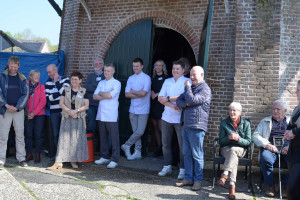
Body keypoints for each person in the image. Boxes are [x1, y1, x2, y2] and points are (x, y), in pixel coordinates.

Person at [175, 66, 212, 191]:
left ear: (202, 74)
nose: (191, 77)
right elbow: (180, 100)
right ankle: (188, 178)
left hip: (196, 125)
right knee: (187, 153)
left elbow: (192, 99)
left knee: (197, 155)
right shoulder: (192, 88)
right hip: (186, 124)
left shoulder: (205, 89)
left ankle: (198, 180)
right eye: (190, 74)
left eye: (194, 74)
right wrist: (186, 104)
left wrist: (187, 88)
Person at [47, 71, 89, 170]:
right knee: (63, 139)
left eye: (75, 79)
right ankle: (58, 162)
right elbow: (61, 103)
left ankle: (73, 161)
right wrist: (70, 111)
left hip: (78, 119)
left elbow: (86, 105)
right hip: (66, 117)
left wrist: (76, 111)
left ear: (80, 81)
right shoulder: (65, 90)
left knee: (74, 141)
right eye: (72, 79)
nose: (73, 81)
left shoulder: (84, 91)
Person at [157, 60, 190, 179]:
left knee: (182, 145)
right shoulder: (167, 81)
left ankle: (182, 168)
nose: (175, 70)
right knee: (165, 144)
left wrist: (169, 98)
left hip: (180, 119)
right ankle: (167, 166)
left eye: (177, 69)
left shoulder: (187, 81)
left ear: (183, 70)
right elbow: (160, 98)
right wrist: (173, 105)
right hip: (166, 117)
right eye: (173, 68)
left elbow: (185, 97)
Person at [252, 99, 290, 198]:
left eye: (278, 109)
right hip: (271, 147)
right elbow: (255, 135)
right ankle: (270, 186)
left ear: (284, 111)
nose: (275, 111)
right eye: (274, 109)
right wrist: (266, 144)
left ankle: (285, 185)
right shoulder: (265, 121)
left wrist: (290, 146)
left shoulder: (291, 121)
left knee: (296, 160)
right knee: (265, 158)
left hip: (287, 147)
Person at [214, 102, 251, 199]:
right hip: (226, 149)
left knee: (234, 150)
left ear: (240, 112)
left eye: (234, 110)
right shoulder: (224, 122)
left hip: (241, 149)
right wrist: (229, 138)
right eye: (230, 110)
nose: (232, 112)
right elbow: (221, 141)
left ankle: (224, 175)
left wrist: (238, 139)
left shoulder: (246, 123)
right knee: (233, 155)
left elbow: (248, 142)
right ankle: (231, 186)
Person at [0, 56, 29, 169]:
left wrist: (17, 107)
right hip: (4, 110)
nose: (12, 68)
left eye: (15, 66)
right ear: (8, 64)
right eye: (11, 66)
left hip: (18, 111)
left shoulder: (22, 79)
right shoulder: (2, 76)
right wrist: (6, 105)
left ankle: (21, 158)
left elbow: (25, 94)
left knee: (20, 135)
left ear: (18, 66)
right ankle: (1, 160)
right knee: (3, 136)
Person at [121, 58, 151, 160]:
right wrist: (138, 93)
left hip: (143, 109)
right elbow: (126, 94)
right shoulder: (130, 78)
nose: (135, 68)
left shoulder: (147, 78)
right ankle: (138, 151)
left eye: (137, 66)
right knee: (135, 132)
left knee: (140, 131)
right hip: (132, 109)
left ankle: (127, 145)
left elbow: (144, 93)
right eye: (134, 66)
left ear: (142, 66)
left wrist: (133, 91)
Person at [93, 64, 121, 169]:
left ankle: (114, 159)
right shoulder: (101, 82)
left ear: (113, 72)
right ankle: (104, 156)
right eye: (105, 71)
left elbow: (110, 96)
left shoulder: (117, 83)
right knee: (103, 136)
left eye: (108, 71)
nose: (106, 73)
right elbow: (95, 97)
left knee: (114, 138)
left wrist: (102, 94)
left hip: (111, 114)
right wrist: (104, 93)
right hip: (101, 114)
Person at [45, 64, 70, 160]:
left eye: (50, 72)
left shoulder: (65, 79)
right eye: (48, 72)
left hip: (65, 111)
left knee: (65, 134)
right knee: (55, 135)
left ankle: (65, 156)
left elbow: (66, 93)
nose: (49, 74)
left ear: (56, 70)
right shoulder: (47, 82)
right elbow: (48, 98)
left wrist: (56, 82)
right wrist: (60, 90)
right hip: (54, 112)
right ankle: (57, 156)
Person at [25, 70, 46, 163]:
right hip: (27, 114)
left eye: (39, 75)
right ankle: (29, 154)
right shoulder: (25, 86)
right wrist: (28, 113)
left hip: (39, 115)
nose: (37, 77)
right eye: (35, 75)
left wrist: (34, 113)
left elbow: (43, 102)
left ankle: (37, 154)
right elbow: (22, 99)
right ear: (30, 76)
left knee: (38, 135)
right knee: (28, 134)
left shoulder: (42, 87)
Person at [284, 80, 300, 200]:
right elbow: (291, 123)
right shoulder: (297, 108)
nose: (296, 92)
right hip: (293, 151)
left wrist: (293, 132)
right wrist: (287, 132)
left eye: (298, 90)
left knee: (292, 187)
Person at [150, 60, 168, 156]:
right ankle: (158, 147)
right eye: (156, 65)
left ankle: (165, 148)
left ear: (163, 67)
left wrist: (157, 94)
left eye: (160, 65)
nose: (158, 67)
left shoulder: (166, 79)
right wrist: (152, 92)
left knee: (162, 128)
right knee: (155, 127)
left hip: (162, 106)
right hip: (154, 105)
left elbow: (167, 91)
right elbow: (150, 89)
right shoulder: (152, 79)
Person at [84, 58, 105, 135]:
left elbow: (104, 89)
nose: (96, 65)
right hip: (91, 104)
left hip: (102, 104)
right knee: (91, 124)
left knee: (102, 125)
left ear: (102, 65)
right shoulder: (90, 76)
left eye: (99, 63)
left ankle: (100, 144)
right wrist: (98, 88)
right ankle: (91, 144)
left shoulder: (105, 76)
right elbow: (86, 87)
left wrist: (92, 86)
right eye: (95, 64)